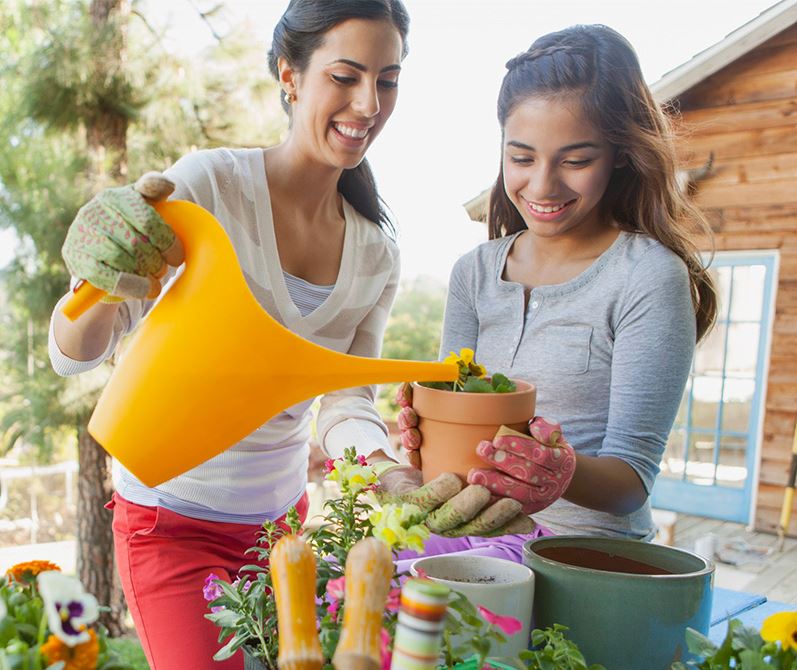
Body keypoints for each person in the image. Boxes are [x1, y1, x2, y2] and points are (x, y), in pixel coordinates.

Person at [49, 1, 508, 666]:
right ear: (290, 75)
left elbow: (345, 400)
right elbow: (74, 355)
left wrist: (387, 473)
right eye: (345, 76)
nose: (368, 103)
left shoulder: (376, 253)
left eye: (387, 80)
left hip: (280, 532)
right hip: (169, 521)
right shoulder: (211, 185)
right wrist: (97, 278)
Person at [394, 24, 717, 573]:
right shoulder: (474, 272)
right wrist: (424, 439)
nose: (543, 186)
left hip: (585, 557)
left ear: (620, 153)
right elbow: (456, 438)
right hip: (474, 541)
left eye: (575, 160)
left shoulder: (647, 276)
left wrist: (558, 473)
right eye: (522, 158)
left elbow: (631, 482)